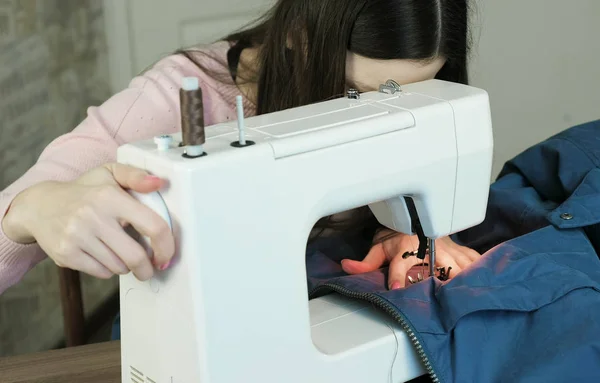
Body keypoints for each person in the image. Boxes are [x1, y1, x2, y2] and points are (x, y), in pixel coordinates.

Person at [0, 0, 478, 296]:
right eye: (355, 94)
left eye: (414, 96)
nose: (387, 119)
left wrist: (397, 228)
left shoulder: (398, 79)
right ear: (299, 38)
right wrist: (31, 210)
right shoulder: (177, 102)